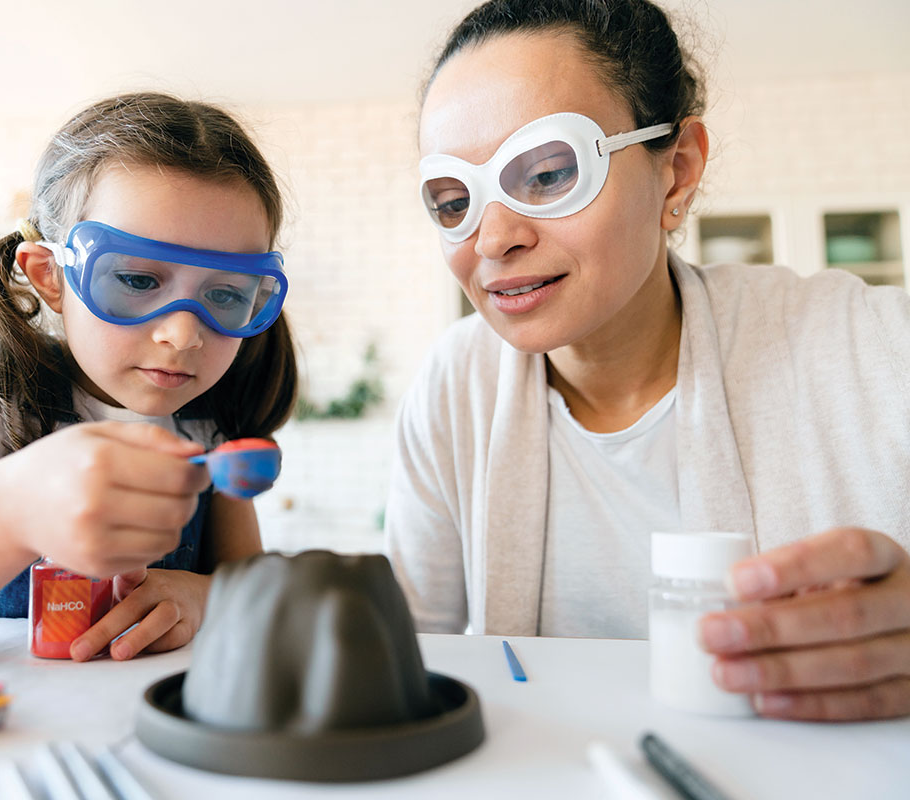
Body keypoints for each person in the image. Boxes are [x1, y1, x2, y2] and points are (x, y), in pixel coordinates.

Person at [386, 0, 910, 721]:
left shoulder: (871, 344)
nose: (493, 237)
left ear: (678, 173)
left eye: (546, 173)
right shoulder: (454, 388)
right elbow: (411, 655)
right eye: (453, 201)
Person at [0, 92, 297, 662]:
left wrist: (206, 595)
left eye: (226, 293)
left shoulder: (212, 420)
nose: (183, 335)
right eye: (136, 279)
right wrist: (10, 510)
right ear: (50, 277)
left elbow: (253, 590)